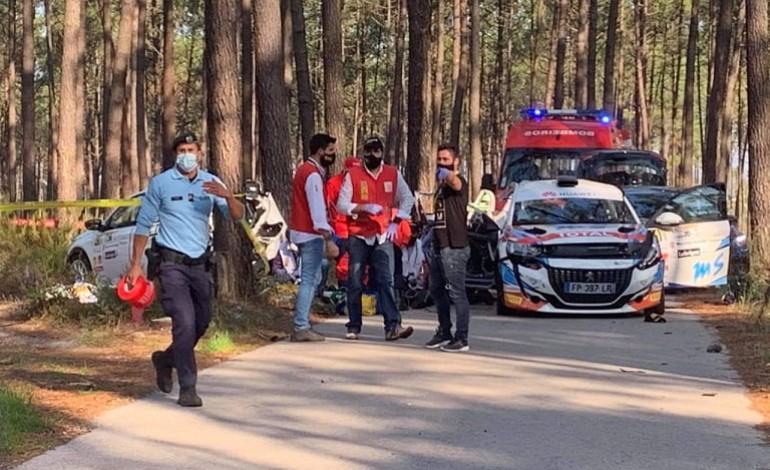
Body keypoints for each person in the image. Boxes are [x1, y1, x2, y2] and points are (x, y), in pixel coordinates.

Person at [127, 131, 245, 407]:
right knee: (184, 321)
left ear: (200, 153)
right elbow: (143, 225)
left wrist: (228, 196)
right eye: (181, 150)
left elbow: (237, 216)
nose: (187, 155)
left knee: (201, 321)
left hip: (201, 264)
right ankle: (188, 387)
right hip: (172, 265)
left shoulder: (211, 182)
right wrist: (135, 266)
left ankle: (165, 359)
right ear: (175, 154)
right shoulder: (161, 183)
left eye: (191, 149)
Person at [337, 136, 415, 341]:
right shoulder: (353, 175)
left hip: (383, 236)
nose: (372, 155)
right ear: (363, 152)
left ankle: (393, 326)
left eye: (376, 151)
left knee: (386, 281)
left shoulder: (392, 174)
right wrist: (362, 207)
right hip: (359, 235)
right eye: (368, 151)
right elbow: (341, 205)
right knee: (354, 282)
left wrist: (397, 221)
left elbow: (408, 198)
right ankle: (353, 325)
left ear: (382, 152)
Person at [289, 133, 338, 342]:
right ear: (320, 151)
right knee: (309, 280)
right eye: (330, 150)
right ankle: (301, 325)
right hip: (310, 233)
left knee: (313, 277)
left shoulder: (304, 170)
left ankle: (302, 322)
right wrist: (327, 237)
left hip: (303, 232)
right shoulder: (312, 175)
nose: (333, 154)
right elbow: (317, 209)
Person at [425, 144, 471, 352]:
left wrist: (448, 174)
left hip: (455, 246)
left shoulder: (459, 183)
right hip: (439, 245)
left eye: (445, 159)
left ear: (456, 161)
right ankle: (444, 331)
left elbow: (455, 182)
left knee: (456, 293)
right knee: (436, 290)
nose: (441, 163)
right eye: (439, 160)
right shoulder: (441, 188)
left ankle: (461, 338)